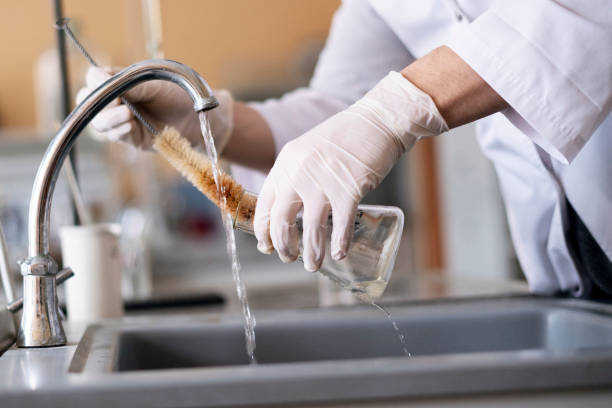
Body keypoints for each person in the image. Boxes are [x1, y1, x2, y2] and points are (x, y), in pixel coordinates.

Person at [78, 1, 612, 300]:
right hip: (574, 274)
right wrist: (209, 123)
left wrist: (389, 113)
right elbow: (337, 111)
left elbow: (581, 19)